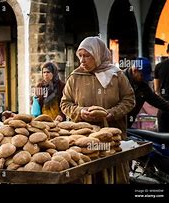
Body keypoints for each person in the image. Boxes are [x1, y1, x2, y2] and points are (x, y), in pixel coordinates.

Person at [60, 36, 135, 183]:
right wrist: (79, 112)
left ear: (98, 54)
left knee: (113, 177)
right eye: (80, 55)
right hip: (85, 140)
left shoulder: (116, 75)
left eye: (87, 56)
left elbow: (129, 100)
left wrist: (111, 113)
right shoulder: (75, 77)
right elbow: (65, 104)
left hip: (113, 140)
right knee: (89, 177)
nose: (82, 60)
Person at [124, 57, 169, 128]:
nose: (144, 79)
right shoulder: (120, 79)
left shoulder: (143, 86)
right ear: (135, 70)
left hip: (127, 125)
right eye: (142, 75)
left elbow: (157, 101)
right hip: (114, 124)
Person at [154, 41, 169, 132]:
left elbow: (156, 90)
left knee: (163, 137)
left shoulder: (159, 66)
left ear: (167, 51)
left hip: (164, 105)